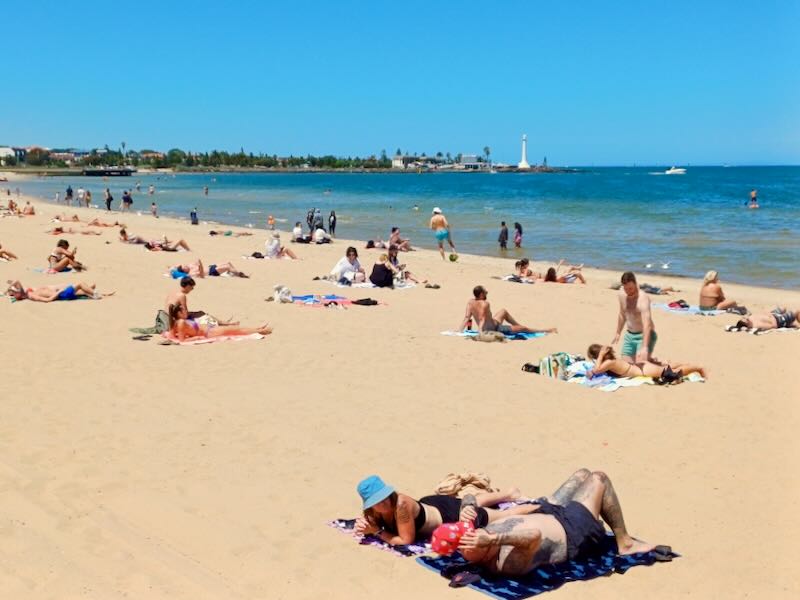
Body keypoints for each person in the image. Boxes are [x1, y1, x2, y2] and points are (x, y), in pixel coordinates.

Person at [457, 470, 655, 575]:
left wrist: (467, 507)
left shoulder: (478, 537)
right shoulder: (505, 564)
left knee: (582, 474)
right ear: (479, 557)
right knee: (598, 478)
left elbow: (470, 498)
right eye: (469, 544)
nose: (470, 536)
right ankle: (625, 543)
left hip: (545, 510)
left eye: (467, 537)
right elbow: (534, 536)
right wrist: (491, 539)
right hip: (573, 532)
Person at [353, 475, 534, 545]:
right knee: (466, 501)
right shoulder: (372, 511)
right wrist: (365, 525)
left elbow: (406, 540)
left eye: (385, 498)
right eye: (377, 501)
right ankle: (508, 493)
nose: (383, 504)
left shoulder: (401, 506)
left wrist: (376, 532)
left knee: (502, 516)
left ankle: (537, 506)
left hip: (448, 517)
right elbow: (370, 522)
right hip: (431, 505)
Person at [459, 286, 557, 334]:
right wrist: (480, 332)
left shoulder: (470, 302)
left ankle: (517, 325)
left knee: (503, 311)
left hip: (493, 323)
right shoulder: (485, 303)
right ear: (481, 294)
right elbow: (482, 318)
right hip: (494, 329)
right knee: (524, 329)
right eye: (485, 292)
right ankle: (545, 331)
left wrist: (459, 331)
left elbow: (467, 318)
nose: (487, 293)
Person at [586, 344, 706, 380]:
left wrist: (601, 356)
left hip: (642, 370)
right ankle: (687, 364)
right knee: (667, 367)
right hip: (640, 366)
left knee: (671, 374)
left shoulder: (608, 362)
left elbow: (596, 370)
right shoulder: (610, 360)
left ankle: (697, 368)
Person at [612, 272, 656, 363]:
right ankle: (652, 361)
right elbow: (622, 314)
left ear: (636, 283)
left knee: (640, 366)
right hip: (630, 335)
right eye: (626, 289)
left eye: (631, 288)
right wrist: (618, 333)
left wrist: (645, 347)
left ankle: (666, 367)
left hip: (644, 335)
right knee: (626, 365)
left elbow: (647, 325)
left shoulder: (643, 299)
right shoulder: (621, 295)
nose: (629, 291)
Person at [167, 303, 271, 341]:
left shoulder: (178, 322)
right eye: (184, 310)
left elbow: (171, 334)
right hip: (209, 332)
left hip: (209, 329)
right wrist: (196, 337)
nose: (186, 311)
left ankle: (258, 329)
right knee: (236, 330)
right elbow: (182, 340)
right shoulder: (180, 323)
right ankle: (260, 330)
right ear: (179, 314)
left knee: (236, 329)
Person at [164, 276, 239, 325]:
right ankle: (226, 324)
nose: (192, 290)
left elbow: (168, 308)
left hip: (167, 318)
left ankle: (224, 322)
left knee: (200, 313)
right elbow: (185, 315)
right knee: (203, 315)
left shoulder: (172, 292)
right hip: (174, 321)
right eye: (191, 288)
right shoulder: (182, 296)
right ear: (187, 286)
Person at [6, 280, 113, 302]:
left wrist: (8, 290)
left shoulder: (27, 292)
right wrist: (59, 291)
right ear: (19, 295)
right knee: (80, 284)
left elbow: (17, 282)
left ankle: (102, 294)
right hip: (62, 295)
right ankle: (95, 294)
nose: (18, 290)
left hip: (62, 293)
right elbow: (48, 300)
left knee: (84, 290)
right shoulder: (31, 296)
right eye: (16, 292)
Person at [734, 307, 799, 331]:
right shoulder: (756, 325)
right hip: (779, 320)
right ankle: (794, 322)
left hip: (773, 314)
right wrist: (781, 323)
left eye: (743, 318)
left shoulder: (750, 318)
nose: (745, 318)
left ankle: (792, 322)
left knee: (783, 308)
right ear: (747, 325)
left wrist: (770, 313)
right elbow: (773, 326)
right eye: (745, 320)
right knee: (797, 311)